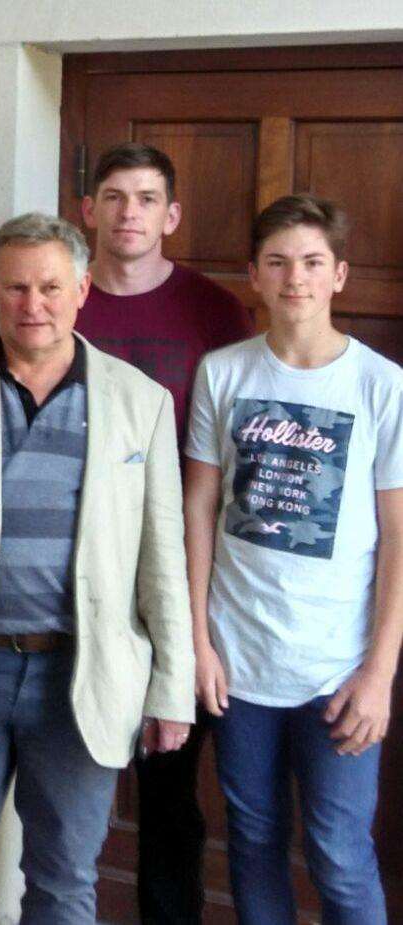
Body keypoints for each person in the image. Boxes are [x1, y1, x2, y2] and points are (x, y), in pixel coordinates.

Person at [0, 212, 195, 924]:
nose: (33, 305)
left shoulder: (138, 400)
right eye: (17, 287)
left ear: (81, 288)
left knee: (62, 882)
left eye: (51, 286)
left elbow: (162, 557)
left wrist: (173, 686)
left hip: (82, 675)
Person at [186, 194, 403, 924]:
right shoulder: (223, 373)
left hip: (338, 671)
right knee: (251, 841)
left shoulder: (381, 385)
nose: (295, 279)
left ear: (339, 274)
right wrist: (196, 641)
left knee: (340, 852)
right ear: (254, 274)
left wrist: (379, 671)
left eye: (312, 263)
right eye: (277, 263)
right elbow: (198, 511)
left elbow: (400, 537)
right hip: (239, 664)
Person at [78, 141, 253, 922]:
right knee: (67, 787)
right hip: (71, 577)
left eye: (146, 198)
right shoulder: (57, 294)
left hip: (179, 582)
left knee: (170, 794)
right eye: (113, 195)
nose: (128, 212)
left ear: (172, 215)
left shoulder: (216, 312)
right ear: (88, 209)